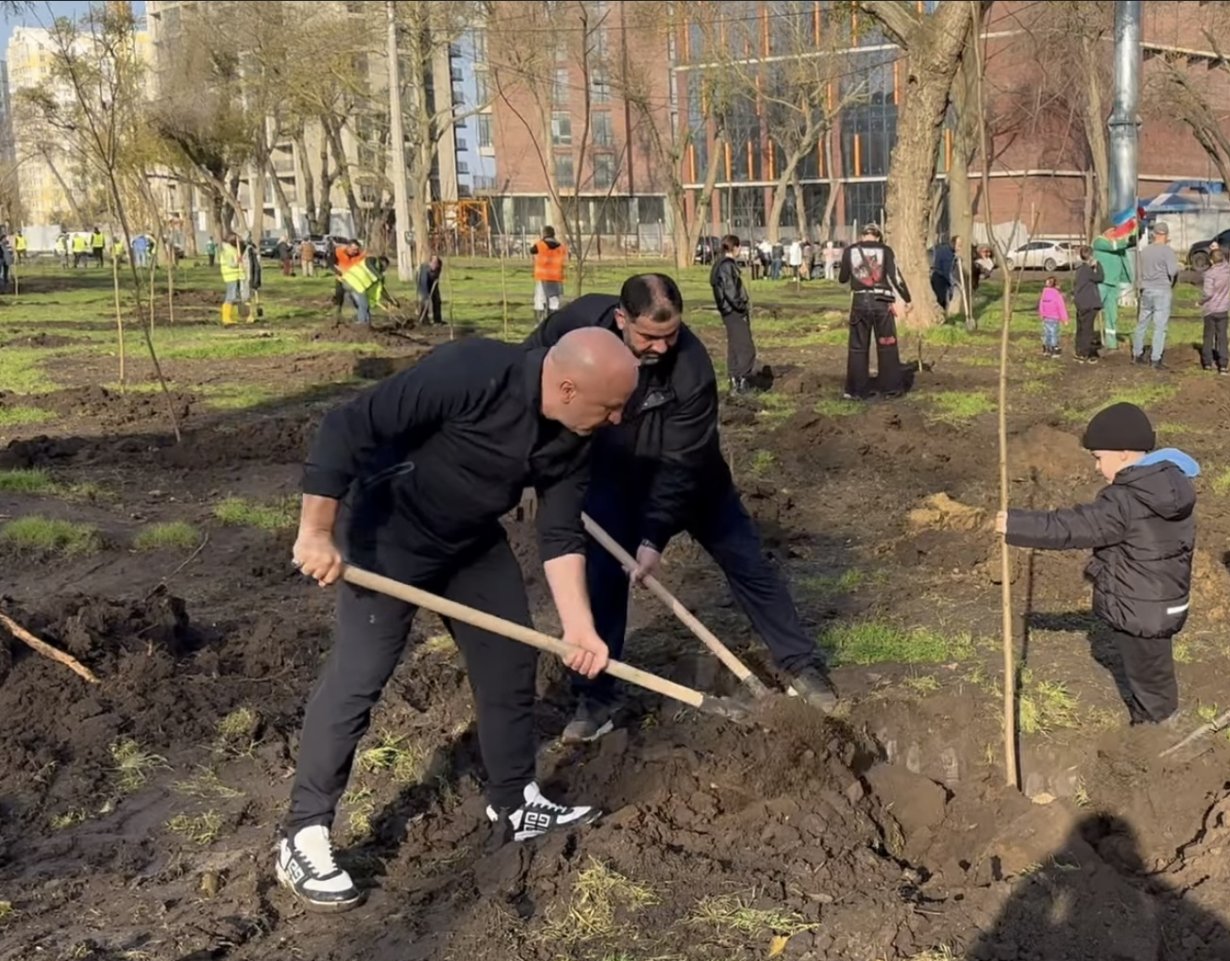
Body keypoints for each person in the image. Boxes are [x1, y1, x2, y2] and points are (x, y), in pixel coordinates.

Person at [277, 328, 638, 911]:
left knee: (509, 660)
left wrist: (578, 626)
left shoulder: (576, 434)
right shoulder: (474, 371)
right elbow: (347, 426)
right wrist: (316, 531)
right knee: (359, 677)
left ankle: (515, 801)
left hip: (469, 542)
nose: (618, 419)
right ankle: (304, 833)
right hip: (388, 535)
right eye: (611, 406)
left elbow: (559, 532)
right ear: (568, 387)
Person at [525, 274, 842, 739]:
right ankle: (597, 698)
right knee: (601, 578)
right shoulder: (578, 325)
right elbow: (533, 372)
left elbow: (680, 465)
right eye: (649, 336)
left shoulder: (691, 367)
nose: (661, 347)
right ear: (621, 318)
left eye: (671, 334)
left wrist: (653, 536)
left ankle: (800, 664)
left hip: (692, 479)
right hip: (612, 478)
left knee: (748, 562)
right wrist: (533, 455)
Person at [996, 402, 1199, 726]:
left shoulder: (1126, 500)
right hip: (1162, 602)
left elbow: (1074, 527)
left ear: (1123, 454)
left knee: (1149, 682)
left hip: (1139, 607)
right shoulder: (1168, 486)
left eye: (1099, 457)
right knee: (1153, 671)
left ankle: (1160, 735)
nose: (1096, 467)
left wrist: (1017, 525)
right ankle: (1154, 722)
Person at [836, 221, 912, 400]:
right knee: (887, 345)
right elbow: (896, 278)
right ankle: (890, 388)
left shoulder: (850, 251)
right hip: (882, 302)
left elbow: (842, 278)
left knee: (858, 346)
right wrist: (907, 298)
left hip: (860, 302)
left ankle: (856, 390)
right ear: (878, 237)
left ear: (862, 235)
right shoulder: (886, 251)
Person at [709, 234, 757, 395]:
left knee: (735, 346)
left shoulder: (719, 264)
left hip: (727, 311)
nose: (740, 250)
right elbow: (730, 291)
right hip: (733, 311)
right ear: (734, 247)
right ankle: (742, 380)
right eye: (739, 247)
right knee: (746, 348)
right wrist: (741, 307)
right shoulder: (727, 266)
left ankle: (734, 380)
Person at [1093, 207, 1145, 353]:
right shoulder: (1099, 242)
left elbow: (1127, 244)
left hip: (1113, 283)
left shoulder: (1115, 242)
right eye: (1111, 231)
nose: (1113, 233)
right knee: (1093, 311)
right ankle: (1090, 337)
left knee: (1112, 314)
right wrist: (1127, 239)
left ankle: (1111, 343)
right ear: (1104, 231)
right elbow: (1116, 246)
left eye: (1114, 230)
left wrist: (1137, 231)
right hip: (1101, 283)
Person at [1131, 222, 1179, 369]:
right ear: (1166, 235)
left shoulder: (1144, 251)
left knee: (1142, 323)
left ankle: (1137, 354)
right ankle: (1155, 359)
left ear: (1154, 234)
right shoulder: (1167, 251)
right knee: (1160, 326)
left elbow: (1138, 271)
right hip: (1162, 290)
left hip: (1146, 290)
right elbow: (1172, 271)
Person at [1199, 244, 1230, 374]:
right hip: (1223, 309)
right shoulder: (1226, 269)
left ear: (1211, 261)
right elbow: (1223, 261)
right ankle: (1223, 365)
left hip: (1211, 310)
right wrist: (1217, 248)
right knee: (1222, 337)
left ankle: (1207, 363)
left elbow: (1208, 293)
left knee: (1208, 336)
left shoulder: (1209, 274)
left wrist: (1200, 302)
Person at [1072, 245, 1104, 363]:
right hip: (1089, 304)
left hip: (1080, 303)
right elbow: (1100, 278)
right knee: (1087, 329)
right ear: (1090, 256)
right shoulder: (1087, 270)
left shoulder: (1079, 270)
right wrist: (1098, 265)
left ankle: (1079, 351)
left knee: (1081, 328)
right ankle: (1085, 353)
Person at [532, 225, 568, 323]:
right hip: (556, 277)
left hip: (543, 276)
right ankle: (554, 321)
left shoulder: (540, 245)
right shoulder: (560, 247)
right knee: (554, 301)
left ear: (544, 234)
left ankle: (540, 322)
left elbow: (532, 250)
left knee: (540, 299)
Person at [218, 232, 247, 326]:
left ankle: (233, 316)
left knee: (236, 296)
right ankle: (226, 317)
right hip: (231, 277)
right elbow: (231, 264)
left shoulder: (232, 249)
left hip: (236, 276)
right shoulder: (227, 251)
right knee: (231, 296)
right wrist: (238, 261)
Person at [1037, 274, 1068, 359]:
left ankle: (1046, 349)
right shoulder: (1057, 294)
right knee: (1054, 333)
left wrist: (1041, 314)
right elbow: (1061, 307)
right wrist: (1064, 319)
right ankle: (1054, 349)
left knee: (1046, 333)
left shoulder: (1044, 293)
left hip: (1046, 317)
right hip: (1054, 318)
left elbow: (1041, 305)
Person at [415, 253, 444, 325]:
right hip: (422, 281)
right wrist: (426, 296)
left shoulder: (439, 266)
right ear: (430, 263)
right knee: (425, 300)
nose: (435, 265)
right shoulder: (424, 270)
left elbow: (437, 276)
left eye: (436, 263)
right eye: (433, 263)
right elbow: (424, 283)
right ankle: (424, 319)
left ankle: (437, 320)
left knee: (437, 299)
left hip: (433, 281)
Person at [931, 235, 958, 312]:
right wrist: (951, 285)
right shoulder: (948, 254)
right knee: (942, 300)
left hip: (936, 275)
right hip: (941, 278)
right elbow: (947, 271)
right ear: (953, 244)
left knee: (940, 298)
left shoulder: (942, 249)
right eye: (959, 245)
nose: (960, 247)